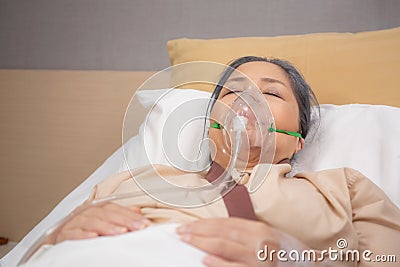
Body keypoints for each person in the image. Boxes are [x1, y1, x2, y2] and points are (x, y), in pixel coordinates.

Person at [26, 56, 400, 266]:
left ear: (298, 139)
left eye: (271, 92)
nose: (248, 100)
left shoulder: (346, 191)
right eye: (232, 92)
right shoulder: (133, 181)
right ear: (208, 128)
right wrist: (55, 238)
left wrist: (293, 258)